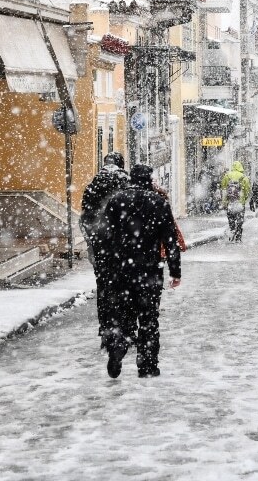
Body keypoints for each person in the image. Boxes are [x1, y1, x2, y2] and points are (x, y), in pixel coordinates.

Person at [100, 164, 182, 379]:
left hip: (121, 270)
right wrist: (175, 271)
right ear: (149, 179)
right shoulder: (159, 203)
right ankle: (147, 364)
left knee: (121, 314)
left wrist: (107, 266)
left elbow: (104, 237)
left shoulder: (116, 201)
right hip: (149, 271)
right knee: (148, 319)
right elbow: (170, 240)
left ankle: (117, 346)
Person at [80, 151, 130, 350]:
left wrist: (92, 242)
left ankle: (106, 329)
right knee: (125, 287)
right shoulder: (126, 181)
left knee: (104, 287)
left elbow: (85, 217)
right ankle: (125, 330)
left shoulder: (93, 184)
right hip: (124, 246)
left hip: (101, 246)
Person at [220, 160, 251, 242]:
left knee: (231, 219)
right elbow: (247, 190)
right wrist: (244, 199)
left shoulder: (227, 176)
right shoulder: (244, 177)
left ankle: (232, 232)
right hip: (240, 203)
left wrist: (224, 202)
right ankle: (238, 236)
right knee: (240, 220)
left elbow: (223, 189)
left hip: (230, 202)